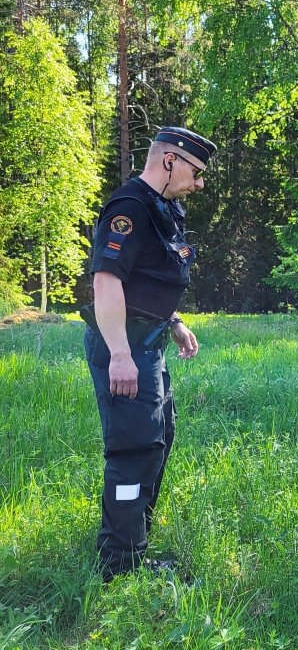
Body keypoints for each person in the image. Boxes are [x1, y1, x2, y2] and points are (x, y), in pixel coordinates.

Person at [82, 127, 216, 582]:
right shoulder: (130, 208)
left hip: (148, 341)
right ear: (170, 161)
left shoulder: (163, 209)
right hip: (125, 345)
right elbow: (107, 281)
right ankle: (121, 567)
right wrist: (119, 351)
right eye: (196, 172)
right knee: (133, 449)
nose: (199, 183)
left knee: (157, 440)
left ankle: (133, 540)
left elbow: (148, 277)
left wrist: (173, 321)